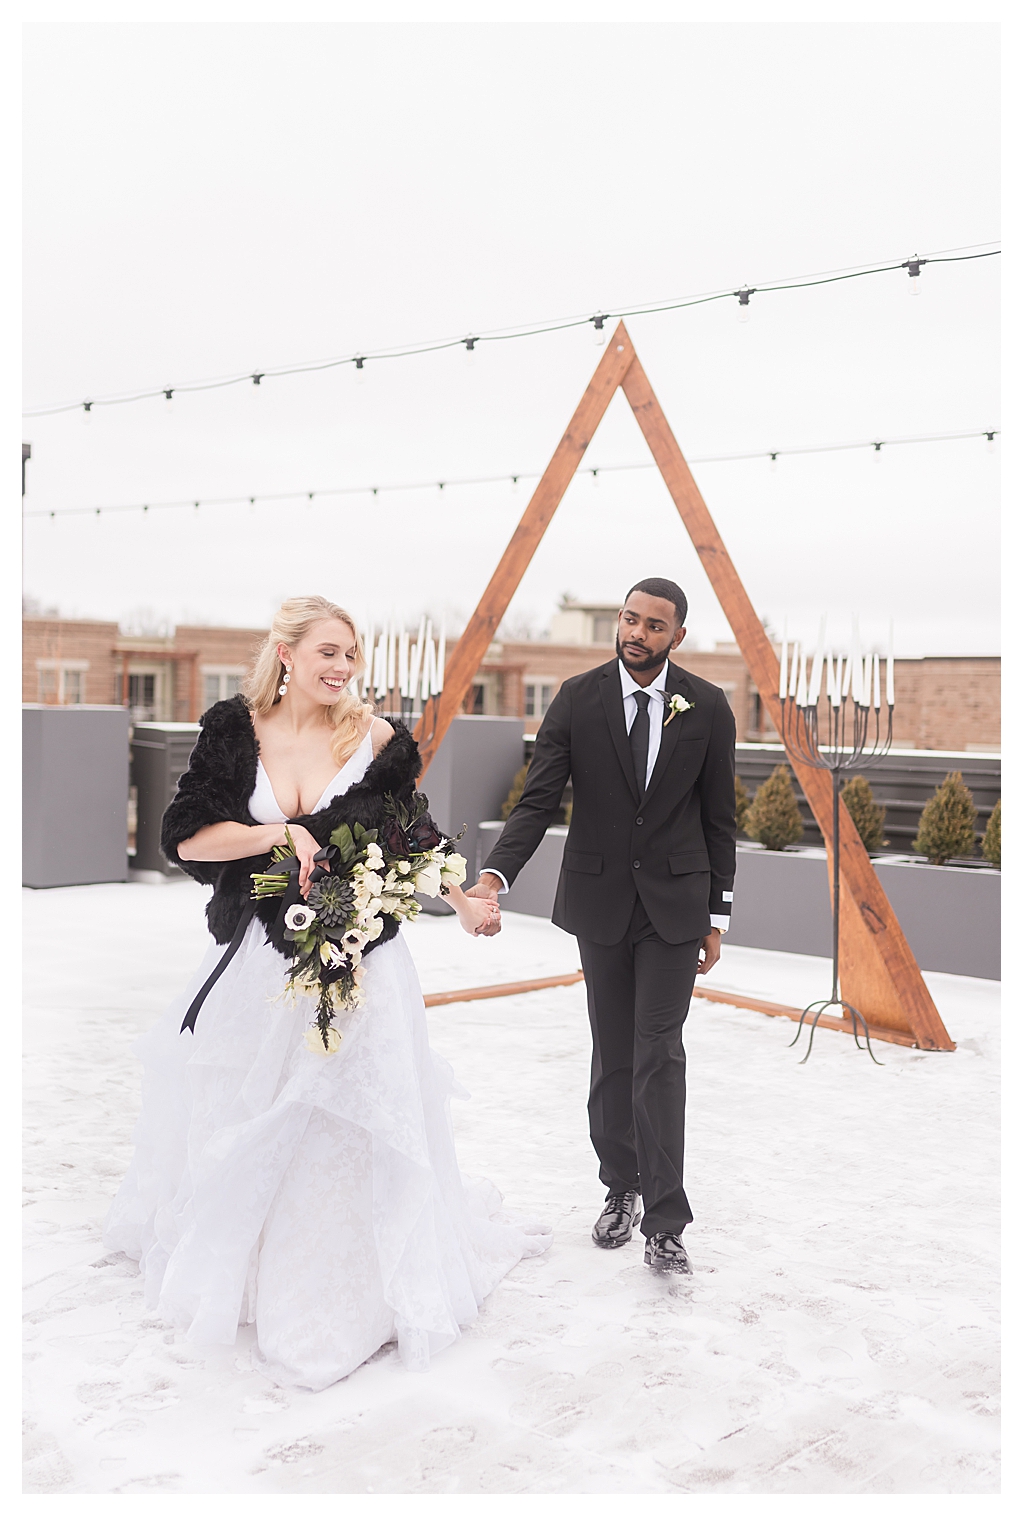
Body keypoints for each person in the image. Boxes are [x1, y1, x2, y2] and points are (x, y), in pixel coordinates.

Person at [104, 594, 551, 1390]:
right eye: (329, 651)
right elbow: (186, 836)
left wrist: (463, 899)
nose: (343, 668)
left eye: (351, 654)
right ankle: (247, 1268)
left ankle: (351, 1290)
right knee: (256, 1110)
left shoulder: (375, 739)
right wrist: (282, 833)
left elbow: (412, 833)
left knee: (350, 1119)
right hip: (260, 960)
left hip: (364, 962)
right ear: (285, 651)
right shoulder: (234, 731)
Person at [466, 578, 735, 1275]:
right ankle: (622, 1187)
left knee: (659, 1052)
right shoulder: (576, 699)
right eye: (628, 619)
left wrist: (717, 914)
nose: (637, 633)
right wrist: (494, 876)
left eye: (653, 625)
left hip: (676, 907)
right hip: (600, 904)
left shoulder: (706, 706)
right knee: (612, 1053)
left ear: (676, 636)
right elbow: (536, 802)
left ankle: (667, 1221)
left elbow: (718, 818)